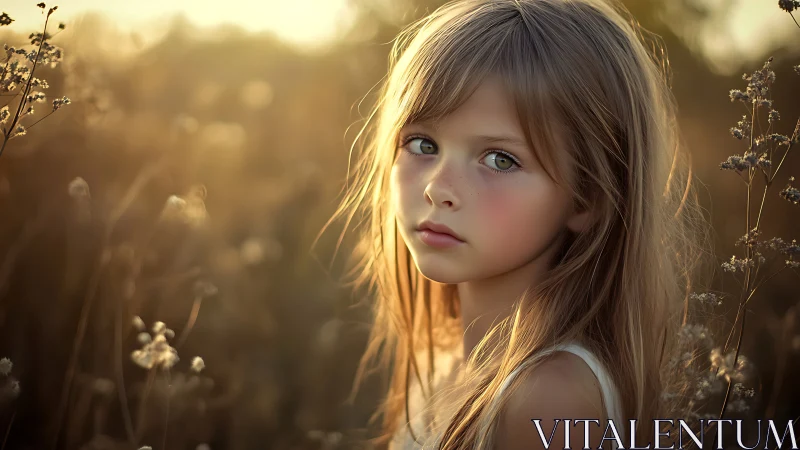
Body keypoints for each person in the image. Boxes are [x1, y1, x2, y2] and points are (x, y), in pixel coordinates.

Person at [322, 0, 713, 448]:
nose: (437, 188)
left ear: (587, 198)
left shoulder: (549, 400)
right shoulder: (445, 363)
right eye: (423, 144)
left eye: (499, 159)